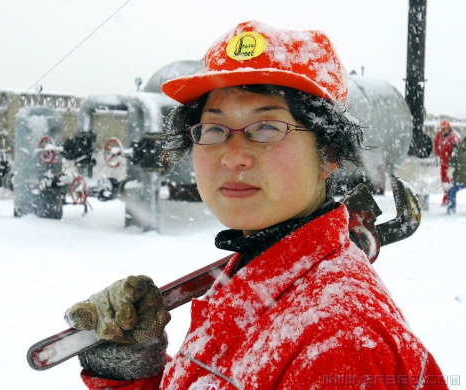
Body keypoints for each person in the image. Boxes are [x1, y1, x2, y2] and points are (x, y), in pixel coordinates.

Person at [64, 21, 448, 389]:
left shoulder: (340, 342)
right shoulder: (249, 277)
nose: (233, 157)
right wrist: (131, 373)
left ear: (328, 153)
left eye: (266, 127)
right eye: (213, 128)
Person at [434, 119, 462, 206]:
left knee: (450, 181)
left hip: (451, 164)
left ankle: (448, 200)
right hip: (443, 162)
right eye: (441, 128)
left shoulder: (455, 137)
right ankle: (446, 198)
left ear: (448, 128)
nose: (442, 130)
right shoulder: (439, 135)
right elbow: (436, 145)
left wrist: (453, 163)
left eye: (444, 128)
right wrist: (436, 155)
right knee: (444, 180)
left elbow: (458, 152)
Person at [446, 137, 466, 214]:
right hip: (461, 178)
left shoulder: (458, 148)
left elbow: (451, 162)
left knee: (451, 191)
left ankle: (451, 209)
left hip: (460, 179)